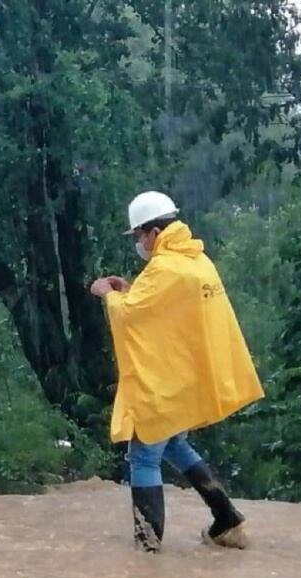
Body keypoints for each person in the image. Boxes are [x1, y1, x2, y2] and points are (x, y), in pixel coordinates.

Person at [90, 191, 263, 553]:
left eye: (139, 235)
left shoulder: (166, 267)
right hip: (187, 378)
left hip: (164, 382)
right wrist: (132, 289)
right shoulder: (197, 261)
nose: (139, 243)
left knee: (143, 456)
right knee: (174, 444)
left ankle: (148, 546)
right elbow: (163, 308)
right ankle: (226, 518)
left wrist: (107, 293)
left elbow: (132, 315)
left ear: (154, 231)